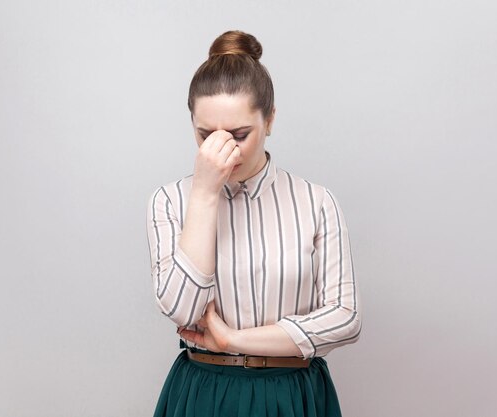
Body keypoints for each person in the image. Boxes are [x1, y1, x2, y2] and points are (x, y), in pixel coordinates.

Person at [146, 30, 361, 417]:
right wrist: (205, 194)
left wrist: (234, 340)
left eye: (240, 135)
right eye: (205, 135)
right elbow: (182, 311)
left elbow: (345, 319)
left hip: (292, 393)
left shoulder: (316, 201)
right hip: (205, 392)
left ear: (270, 119)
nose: (222, 149)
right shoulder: (170, 201)